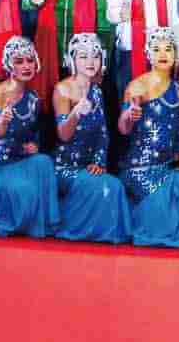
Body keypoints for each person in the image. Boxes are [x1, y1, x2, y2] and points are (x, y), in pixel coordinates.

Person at [117, 27, 179, 247]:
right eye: (157, 49)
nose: (163, 54)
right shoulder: (137, 86)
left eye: (168, 49)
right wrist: (129, 116)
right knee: (162, 203)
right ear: (148, 54)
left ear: (175, 54)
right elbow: (123, 129)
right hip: (140, 167)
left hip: (169, 165)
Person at [0, 36, 61, 238]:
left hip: (17, 160)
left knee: (44, 162)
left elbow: (31, 134)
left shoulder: (34, 98)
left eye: (30, 60)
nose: (26, 66)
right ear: (8, 64)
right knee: (24, 189)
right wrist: (3, 121)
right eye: (19, 61)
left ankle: (43, 223)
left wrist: (33, 146)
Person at [51, 33, 133, 244]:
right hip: (65, 166)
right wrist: (76, 112)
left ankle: (101, 234)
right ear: (72, 60)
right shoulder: (62, 89)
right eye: (83, 56)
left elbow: (103, 134)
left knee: (113, 185)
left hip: (89, 167)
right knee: (101, 186)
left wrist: (98, 163)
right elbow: (63, 135)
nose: (90, 61)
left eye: (95, 56)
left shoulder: (97, 91)